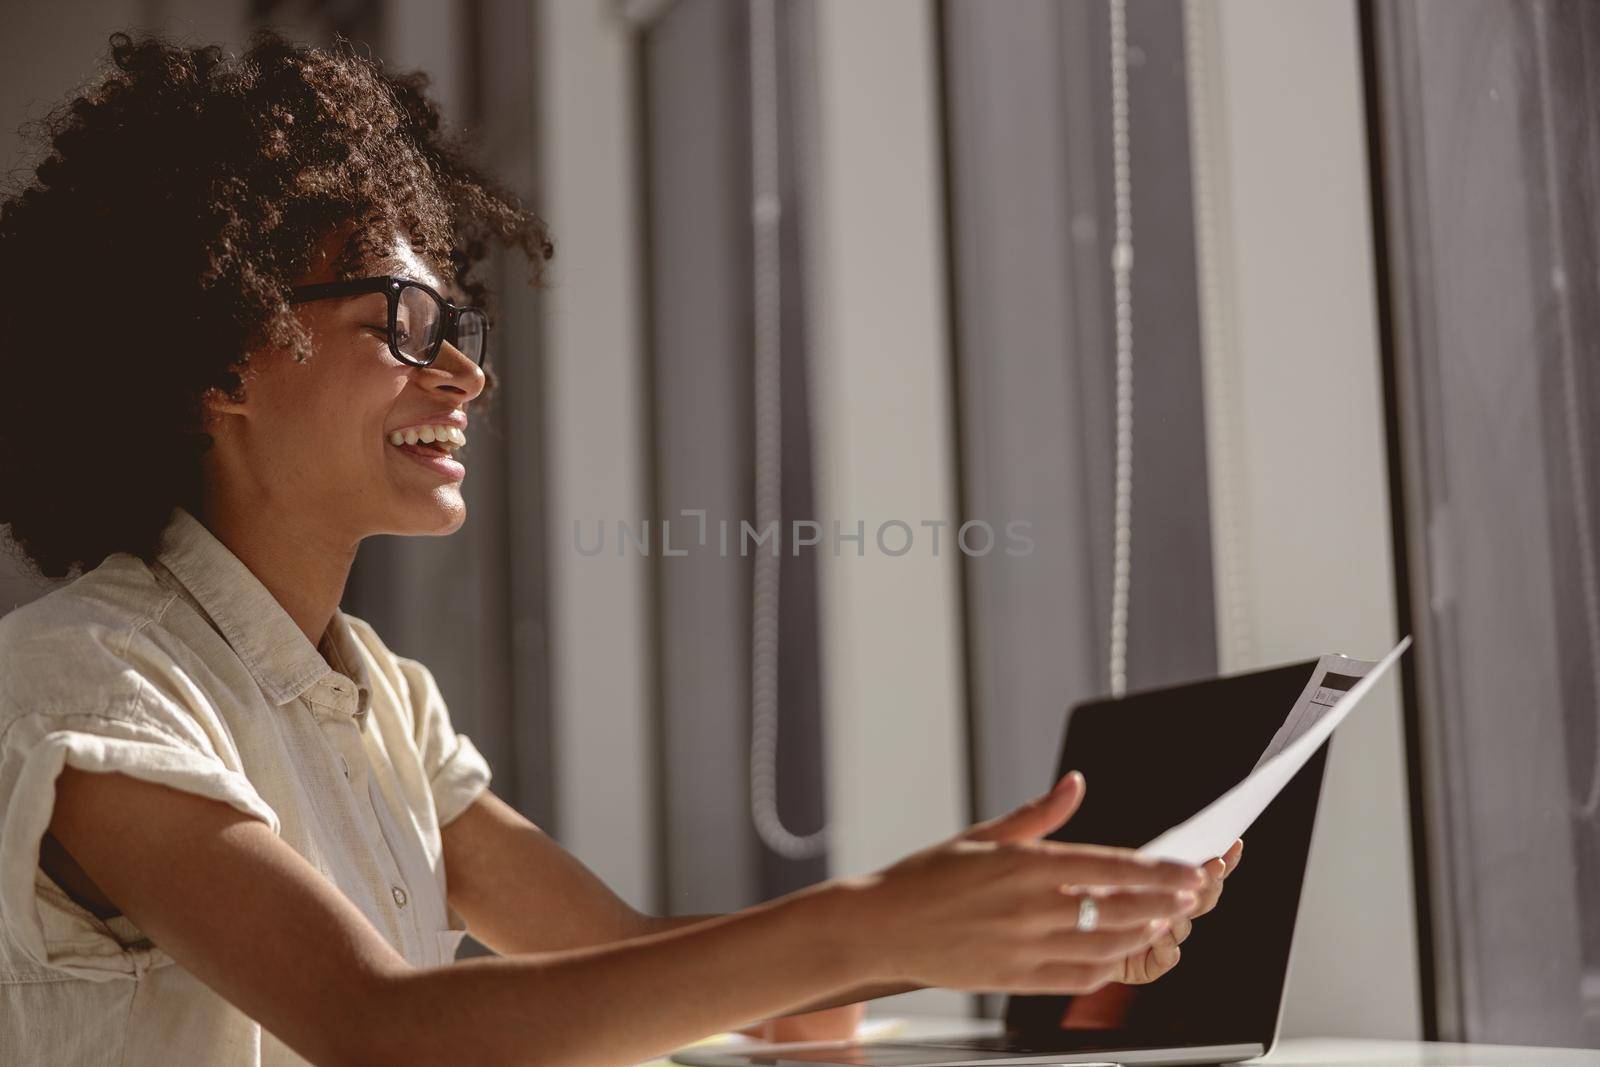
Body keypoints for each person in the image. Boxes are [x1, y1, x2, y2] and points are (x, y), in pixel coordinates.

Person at [0, 29, 1241, 1067]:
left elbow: (629, 965)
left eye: (460, 325)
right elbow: (378, 1029)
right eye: (402, 322)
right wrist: (862, 927)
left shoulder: (386, 702)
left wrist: (955, 919)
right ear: (223, 358)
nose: (467, 373)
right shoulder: (90, 681)